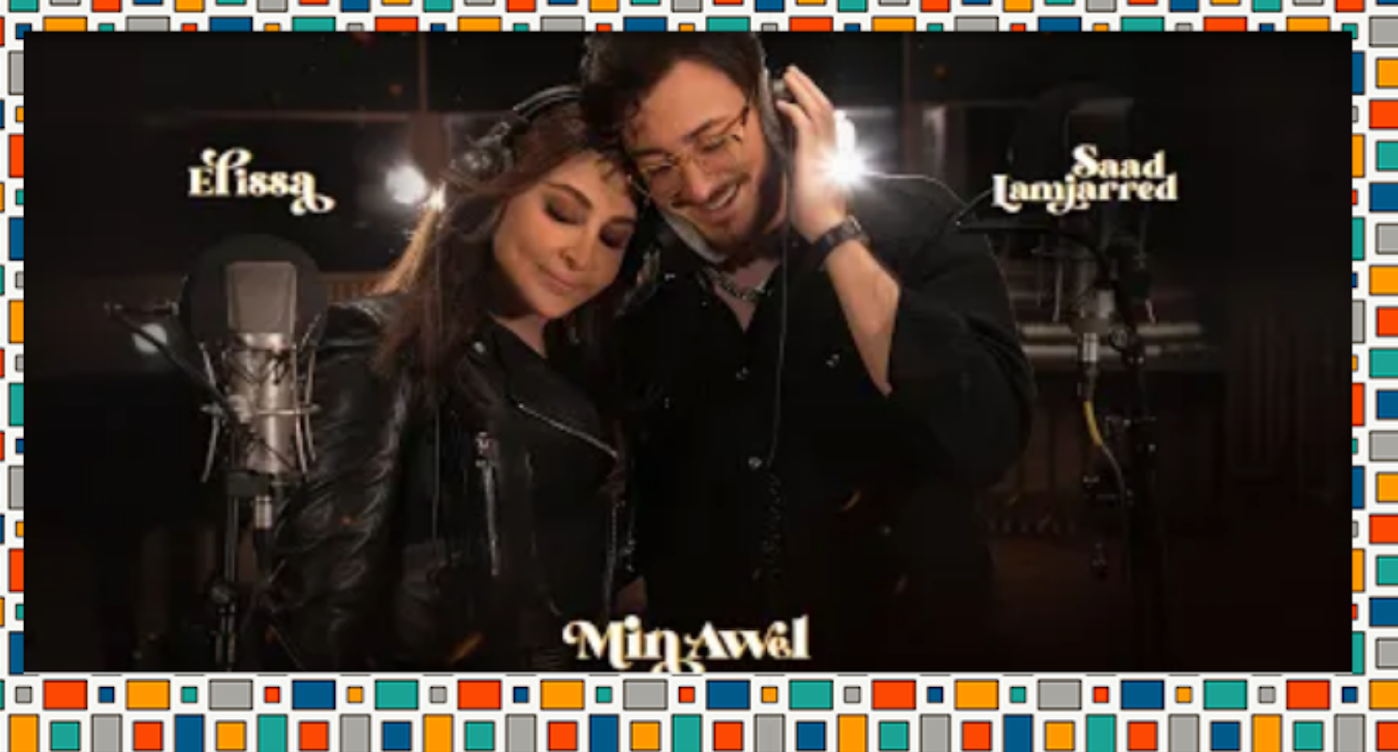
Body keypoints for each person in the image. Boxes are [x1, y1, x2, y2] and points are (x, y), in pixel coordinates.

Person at [579, 34, 1036, 670]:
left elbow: (986, 436)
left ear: (774, 105)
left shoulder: (914, 223)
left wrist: (832, 233)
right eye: (659, 166)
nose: (698, 186)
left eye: (714, 141)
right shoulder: (633, 284)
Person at [260, 87, 646, 671]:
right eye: (562, 213)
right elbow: (319, 610)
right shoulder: (381, 341)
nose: (581, 254)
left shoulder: (593, 372)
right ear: (493, 197)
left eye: (613, 237)